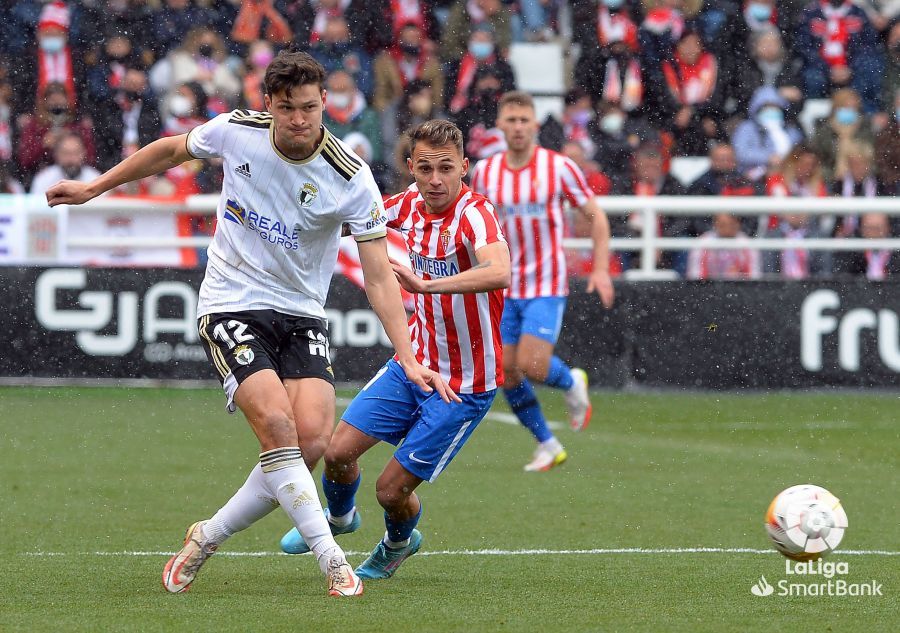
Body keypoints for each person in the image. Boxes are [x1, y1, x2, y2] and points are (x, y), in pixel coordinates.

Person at [45, 50, 454, 598]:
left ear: (324, 103)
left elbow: (379, 276)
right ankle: (332, 560)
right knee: (279, 432)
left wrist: (406, 354)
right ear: (268, 104)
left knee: (310, 443)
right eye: (288, 108)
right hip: (231, 302)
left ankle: (206, 537)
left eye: (309, 107)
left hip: (302, 312)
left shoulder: (351, 177)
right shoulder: (236, 132)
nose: (299, 120)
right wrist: (96, 188)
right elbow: (170, 149)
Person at [279, 119, 510, 578]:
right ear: (411, 168)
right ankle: (340, 519)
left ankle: (397, 543)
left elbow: (499, 271)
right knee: (337, 451)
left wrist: (428, 285)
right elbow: (346, 224)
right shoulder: (405, 205)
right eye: (425, 168)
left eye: (446, 168)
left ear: (465, 168)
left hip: (463, 386)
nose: (436, 179)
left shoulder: (475, 213)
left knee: (390, 491)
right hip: (414, 365)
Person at [470, 91, 615, 471]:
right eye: (510, 120)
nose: (517, 127)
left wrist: (599, 269)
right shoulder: (485, 172)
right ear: (499, 126)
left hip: (546, 282)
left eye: (524, 121)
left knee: (534, 365)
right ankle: (548, 444)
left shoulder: (558, 167)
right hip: (501, 285)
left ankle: (571, 382)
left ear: (535, 126)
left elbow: (596, 216)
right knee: (505, 371)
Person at [29, 132, 100, 195]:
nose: (71, 159)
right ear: (56, 154)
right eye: (65, 153)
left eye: (75, 153)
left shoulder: (94, 178)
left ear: (83, 153)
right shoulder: (44, 179)